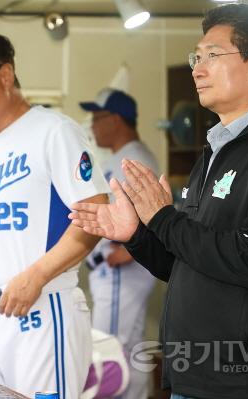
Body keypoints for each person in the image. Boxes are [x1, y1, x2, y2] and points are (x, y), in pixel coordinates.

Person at [70, 4, 248, 399]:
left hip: (247, 384)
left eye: (212, 56)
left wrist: (163, 217)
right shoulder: (213, 152)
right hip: (192, 377)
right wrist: (138, 234)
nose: (197, 69)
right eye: (196, 57)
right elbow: (186, 265)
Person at [0, 29, 109, 398]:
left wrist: (37, 275)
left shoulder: (53, 130)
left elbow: (96, 216)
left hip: (44, 310)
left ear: (6, 74)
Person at [79, 88, 158, 399]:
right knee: (127, 352)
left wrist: (129, 251)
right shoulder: (125, 156)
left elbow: (157, 211)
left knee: (112, 352)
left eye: (97, 118)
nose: (93, 126)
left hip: (120, 270)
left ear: (115, 119)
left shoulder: (134, 157)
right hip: (114, 270)